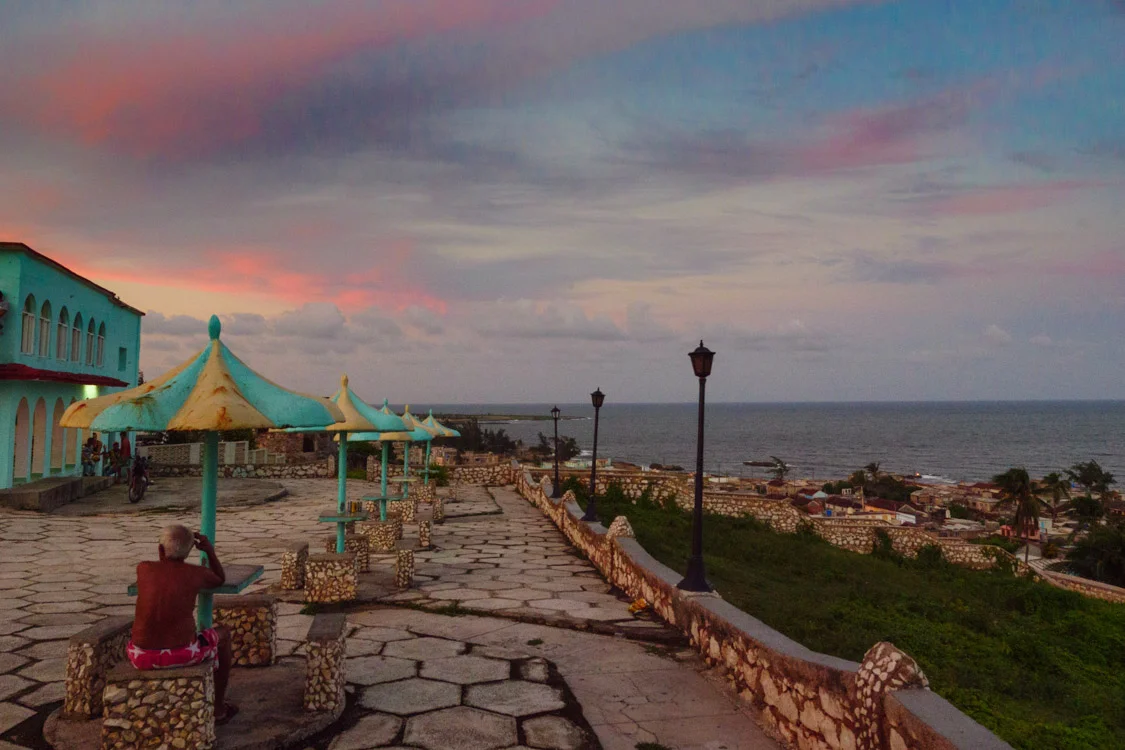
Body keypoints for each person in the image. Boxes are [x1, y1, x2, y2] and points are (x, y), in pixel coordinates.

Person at [128, 525, 237, 723]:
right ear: (188, 552)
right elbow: (220, 579)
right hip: (181, 654)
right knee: (224, 634)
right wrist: (209, 551)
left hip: (140, 655)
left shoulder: (143, 568)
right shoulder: (196, 573)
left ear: (160, 549)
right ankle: (218, 708)